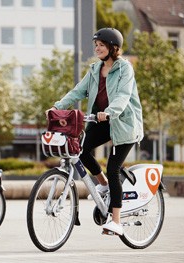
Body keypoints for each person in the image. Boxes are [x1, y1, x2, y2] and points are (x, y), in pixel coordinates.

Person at [46, 28, 143, 236]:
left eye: (101, 45)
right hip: (101, 120)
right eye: (96, 45)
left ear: (113, 47)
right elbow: (78, 91)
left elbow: (123, 96)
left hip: (123, 123)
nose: (97, 48)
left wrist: (110, 112)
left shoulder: (125, 69)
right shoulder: (94, 69)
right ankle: (104, 186)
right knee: (80, 151)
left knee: (113, 167)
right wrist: (57, 107)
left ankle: (116, 221)